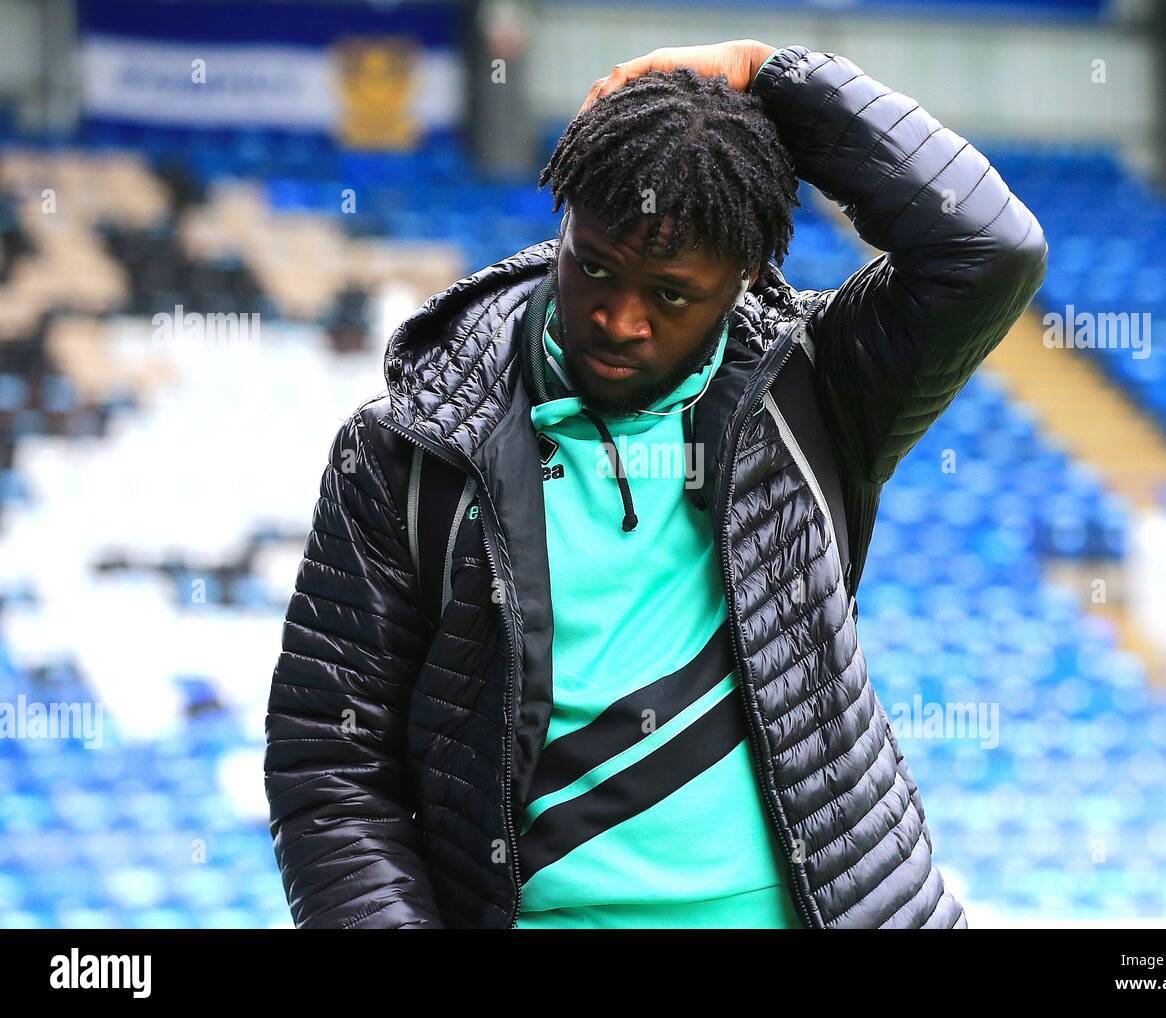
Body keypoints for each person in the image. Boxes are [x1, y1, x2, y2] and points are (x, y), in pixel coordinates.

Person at [264, 39, 1047, 929]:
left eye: (671, 296)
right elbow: (330, 767)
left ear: (746, 278)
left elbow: (988, 249)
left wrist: (768, 76)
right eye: (594, 266)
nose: (617, 318)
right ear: (563, 228)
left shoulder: (820, 388)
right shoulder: (407, 452)